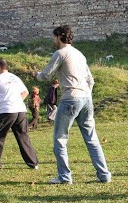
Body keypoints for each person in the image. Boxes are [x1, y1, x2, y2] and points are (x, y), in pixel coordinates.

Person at [34, 25, 111, 184]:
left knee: (60, 139)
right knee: (91, 138)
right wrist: (86, 95)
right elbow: (91, 80)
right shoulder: (79, 54)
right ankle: (104, 175)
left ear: (59, 37)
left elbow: (45, 76)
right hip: (86, 99)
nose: (53, 40)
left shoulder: (60, 53)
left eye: (54, 37)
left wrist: (36, 75)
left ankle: (64, 177)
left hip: (70, 99)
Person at [0, 58, 39, 171]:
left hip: (7, 111)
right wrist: (16, 101)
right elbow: (25, 92)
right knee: (23, 136)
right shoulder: (15, 78)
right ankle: (33, 163)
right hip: (20, 110)